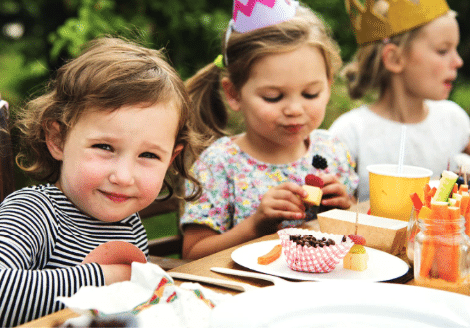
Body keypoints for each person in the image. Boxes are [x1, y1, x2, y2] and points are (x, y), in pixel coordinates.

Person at [0, 36, 203, 327]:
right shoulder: (33, 212)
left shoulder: (128, 223)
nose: (122, 176)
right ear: (57, 139)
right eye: (104, 147)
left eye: (148, 155)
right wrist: (107, 277)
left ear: (170, 160)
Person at [181, 0, 359, 260]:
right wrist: (255, 225)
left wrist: (347, 209)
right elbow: (191, 254)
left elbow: (354, 231)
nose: (294, 109)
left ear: (329, 84)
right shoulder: (219, 163)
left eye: (310, 93)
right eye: (273, 97)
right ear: (234, 94)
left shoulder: (332, 150)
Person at [329, 0, 469, 201]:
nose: (458, 61)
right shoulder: (350, 132)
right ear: (394, 59)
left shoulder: (454, 119)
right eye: (442, 51)